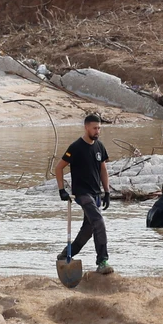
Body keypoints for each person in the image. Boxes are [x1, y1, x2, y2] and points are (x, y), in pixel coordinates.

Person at [54, 113, 114, 275]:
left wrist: (107, 192)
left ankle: (65, 255)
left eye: (99, 128)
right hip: (82, 194)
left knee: (88, 230)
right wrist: (61, 190)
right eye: (94, 128)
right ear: (86, 127)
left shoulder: (99, 146)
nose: (97, 131)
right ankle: (102, 261)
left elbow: (103, 169)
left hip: (96, 193)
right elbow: (59, 168)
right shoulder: (76, 147)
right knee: (99, 222)